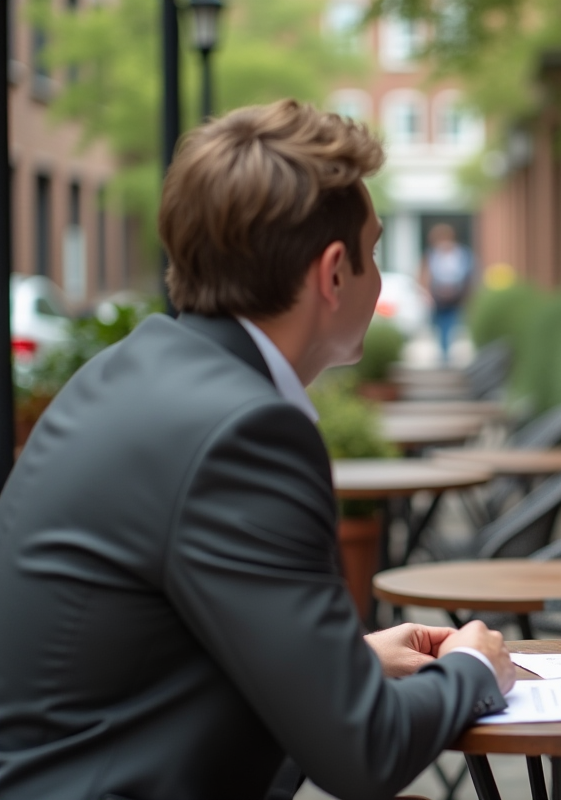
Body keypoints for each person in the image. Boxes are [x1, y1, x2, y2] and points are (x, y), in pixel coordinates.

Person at [0, 100, 515, 800]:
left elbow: (148, 652)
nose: (378, 274)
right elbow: (363, 753)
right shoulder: (246, 433)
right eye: (373, 251)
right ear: (333, 274)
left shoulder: (133, 370)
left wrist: (351, 664)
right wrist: (475, 670)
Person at [421, 223, 473, 364]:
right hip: (438, 297)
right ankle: (444, 351)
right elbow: (425, 275)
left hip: (455, 296)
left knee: (450, 323)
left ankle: (445, 351)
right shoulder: (432, 255)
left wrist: (467, 295)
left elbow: (469, 275)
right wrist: (427, 294)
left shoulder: (462, 254)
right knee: (439, 324)